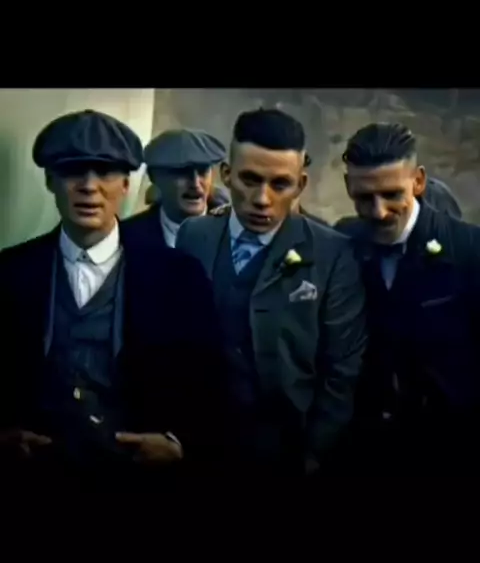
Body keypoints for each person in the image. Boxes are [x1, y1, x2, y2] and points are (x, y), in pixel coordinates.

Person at [0, 110, 225, 489]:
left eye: (104, 172)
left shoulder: (178, 276)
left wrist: (178, 443)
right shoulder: (10, 273)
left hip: (138, 483)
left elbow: (211, 380)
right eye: (73, 171)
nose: (89, 187)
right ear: (50, 180)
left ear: (125, 184)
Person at [176, 108, 367, 476]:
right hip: (198, 445)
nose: (262, 199)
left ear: (301, 185)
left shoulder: (332, 254)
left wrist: (314, 454)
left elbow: (342, 369)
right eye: (250, 179)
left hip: (286, 452)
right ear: (226, 175)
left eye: (280, 184)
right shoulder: (193, 236)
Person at [337, 122, 480, 475]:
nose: (379, 211)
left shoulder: (469, 250)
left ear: (418, 181)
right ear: (348, 186)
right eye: (364, 197)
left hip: (450, 453)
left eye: (392, 194)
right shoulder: (343, 244)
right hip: (364, 453)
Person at [122, 128, 230, 248]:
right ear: (155, 177)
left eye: (202, 171)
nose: (195, 183)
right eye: (182, 172)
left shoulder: (233, 234)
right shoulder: (127, 238)